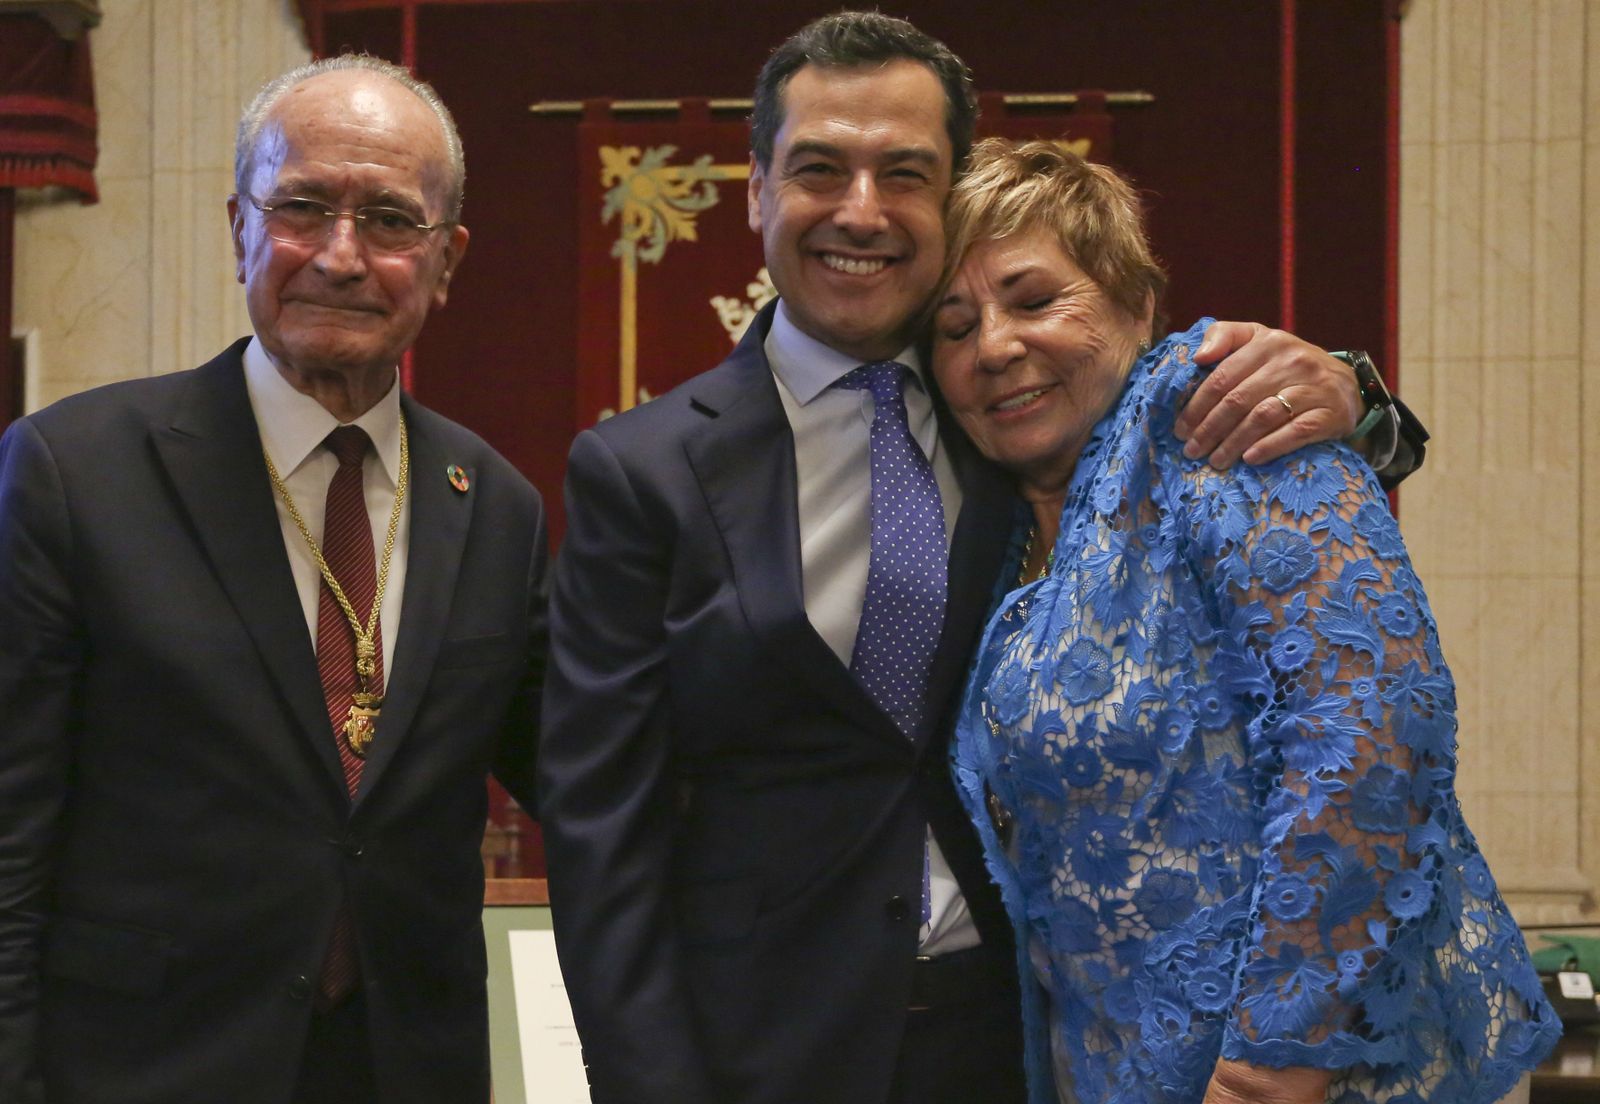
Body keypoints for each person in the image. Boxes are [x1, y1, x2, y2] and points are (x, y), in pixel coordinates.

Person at [539, 12, 1419, 1104]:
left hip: (1022, 1041)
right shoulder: (641, 471)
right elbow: (602, 834)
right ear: (757, 191)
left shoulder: (1015, 407)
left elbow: (1204, 437)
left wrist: (1356, 397)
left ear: (947, 197)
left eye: (903, 173)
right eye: (819, 169)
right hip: (763, 1053)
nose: (860, 210)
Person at [936, 138, 1559, 1104]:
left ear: (1135, 302)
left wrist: (1279, 1057)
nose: (993, 346)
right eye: (953, 325)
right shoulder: (996, 522)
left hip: (1295, 1074)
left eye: (1033, 299)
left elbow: (1374, 730)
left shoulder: (1219, 418)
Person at [0, 56, 547, 1104]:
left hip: (404, 1067)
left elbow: (582, 772)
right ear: (239, 229)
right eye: (301, 207)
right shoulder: (77, 472)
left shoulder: (495, 506)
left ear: (446, 260)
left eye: (390, 221)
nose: (340, 256)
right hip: (144, 1065)